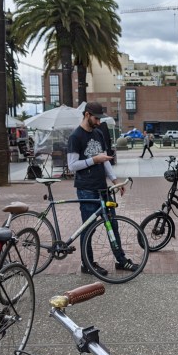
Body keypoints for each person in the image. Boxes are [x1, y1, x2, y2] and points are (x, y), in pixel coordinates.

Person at [67, 101, 139, 275]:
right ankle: (87, 264)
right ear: (86, 115)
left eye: (100, 119)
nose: (99, 122)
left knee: (112, 224)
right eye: (96, 118)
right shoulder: (75, 137)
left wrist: (115, 181)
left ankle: (120, 260)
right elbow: (72, 165)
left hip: (103, 188)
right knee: (88, 228)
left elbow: (104, 160)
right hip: (86, 188)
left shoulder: (98, 133)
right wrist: (94, 160)